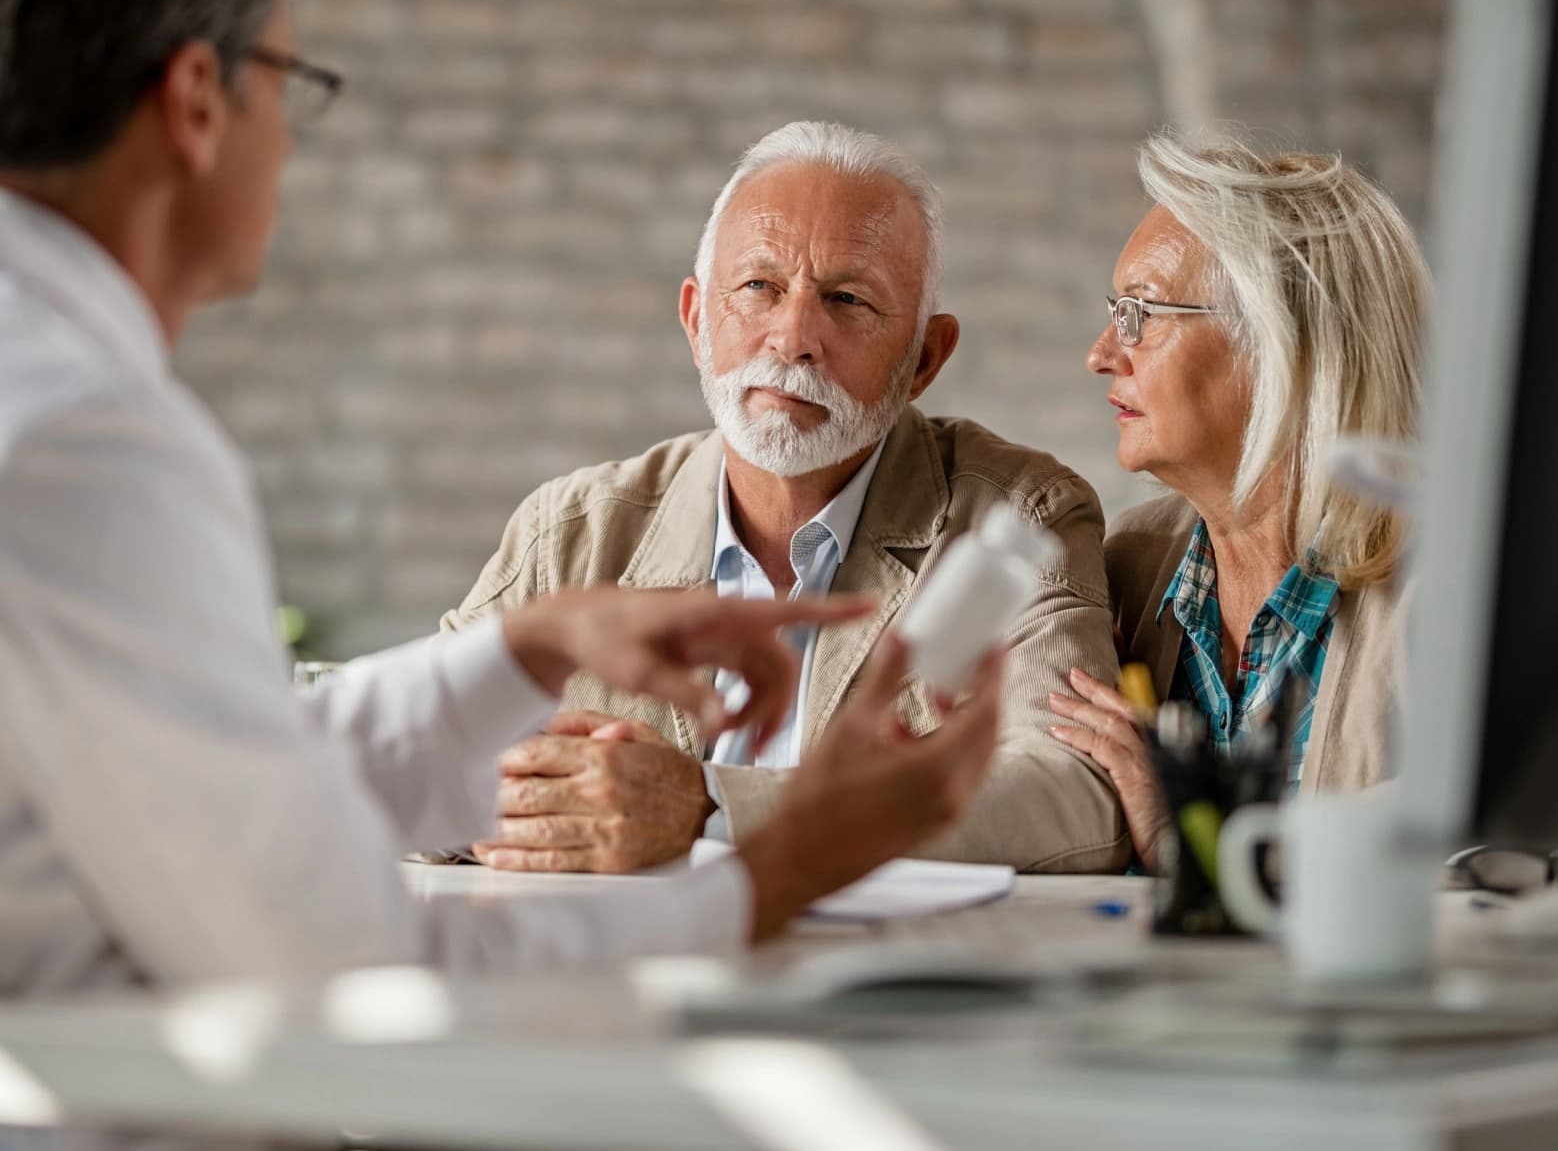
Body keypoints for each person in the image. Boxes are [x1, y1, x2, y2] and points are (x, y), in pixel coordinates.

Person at [0, 0, 1007, 1146]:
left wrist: (528, 649)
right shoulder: (66, 439)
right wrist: (781, 869)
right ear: (198, 100)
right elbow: (356, 984)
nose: (291, 135)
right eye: (292, 79)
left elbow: (223, 785)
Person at [445, 120, 1131, 876]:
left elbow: (1076, 800)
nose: (793, 335)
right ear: (697, 319)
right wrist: (525, 808)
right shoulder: (572, 530)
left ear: (924, 359)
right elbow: (405, 764)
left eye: (846, 299)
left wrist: (710, 807)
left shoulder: (1017, 520)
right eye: (758, 287)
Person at [1049, 133, 1431, 872]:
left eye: (1141, 313)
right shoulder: (1125, 566)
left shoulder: (1447, 593)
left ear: (1280, 345)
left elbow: (1484, 847)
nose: (1100, 352)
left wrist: (1200, 848)